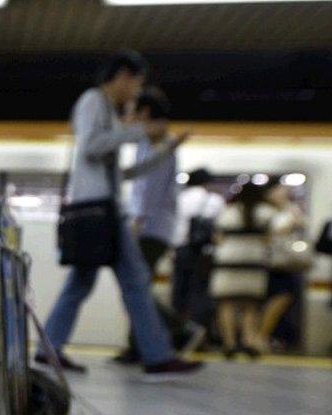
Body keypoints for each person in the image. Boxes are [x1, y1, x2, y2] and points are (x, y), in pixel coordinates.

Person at [34, 50, 202, 379]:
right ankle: (157, 356)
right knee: (134, 280)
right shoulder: (92, 101)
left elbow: (123, 174)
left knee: (87, 282)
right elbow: (92, 146)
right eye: (136, 84)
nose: (136, 93)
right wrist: (141, 132)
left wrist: (164, 149)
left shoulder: (106, 110)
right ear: (123, 75)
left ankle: (49, 348)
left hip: (104, 207)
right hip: (99, 209)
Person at [115, 87, 204, 364]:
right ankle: (138, 345)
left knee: (135, 286)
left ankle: (180, 328)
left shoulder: (161, 147)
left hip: (150, 228)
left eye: (135, 114)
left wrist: (137, 223)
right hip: (151, 227)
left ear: (145, 114)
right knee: (136, 285)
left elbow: (148, 191)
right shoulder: (148, 144)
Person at [210, 181, 277, 358]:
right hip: (254, 264)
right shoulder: (266, 212)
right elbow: (271, 238)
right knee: (251, 306)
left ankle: (229, 343)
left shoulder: (228, 211)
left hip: (228, 263)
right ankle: (248, 340)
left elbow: (217, 238)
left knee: (227, 304)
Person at [172, 168, 225, 332]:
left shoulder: (179, 199)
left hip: (181, 250)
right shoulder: (215, 200)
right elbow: (220, 228)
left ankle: (179, 329)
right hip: (205, 252)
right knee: (201, 291)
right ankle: (199, 330)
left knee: (180, 291)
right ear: (207, 182)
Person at [258, 183, 307, 350]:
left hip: (286, 262)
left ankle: (266, 336)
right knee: (280, 297)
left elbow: (302, 224)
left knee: (284, 298)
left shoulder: (291, 209)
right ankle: (261, 336)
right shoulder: (264, 211)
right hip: (270, 261)